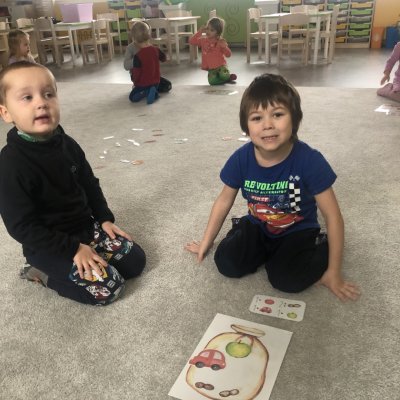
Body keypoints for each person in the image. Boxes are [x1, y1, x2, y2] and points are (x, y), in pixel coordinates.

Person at [185, 73, 360, 302]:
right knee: (226, 263)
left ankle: (322, 244)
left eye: (277, 114)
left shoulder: (310, 161)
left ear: (294, 118)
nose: (267, 125)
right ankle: (244, 231)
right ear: (246, 127)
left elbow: (333, 216)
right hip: (258, 224)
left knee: (287, 281)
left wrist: (333, 271)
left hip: (297, 229)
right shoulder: (240, 159)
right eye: (257, 118)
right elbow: (224, 200)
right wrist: (206, 241)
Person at [0, 62, 146, 306]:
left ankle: (91, 253)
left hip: (85, 229)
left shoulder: (67, 143)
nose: (41, 103)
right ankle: (40, 272)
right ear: (6, 113)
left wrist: (104, 218)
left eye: (49, 94)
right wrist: (74, 249)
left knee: (135, 262)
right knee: (108, 289)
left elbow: (89, 183)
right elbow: (22, 227)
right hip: (49, 247)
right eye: (27, 97)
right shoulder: (10, 164)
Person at [123, 21, 172, 95]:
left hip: (152, 76)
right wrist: (136, 61)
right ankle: (145, 89)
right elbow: (126, 65)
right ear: (133, 38)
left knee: (167, 85)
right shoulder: (130, 48)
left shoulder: (149, 46)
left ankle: (148, 89)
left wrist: (162, 56)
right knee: (135, 94)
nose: (145, 44)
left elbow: (162, 57)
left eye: (145, 41)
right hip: (139, 77)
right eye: (141, 41)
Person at [189, 17, 237, 85]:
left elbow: (228, 55)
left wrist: (225, 47)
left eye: (212, 30)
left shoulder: (220, 41)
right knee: (212, 82)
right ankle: (226, 79)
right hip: (211, 69)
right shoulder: (203, 39)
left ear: (217, 32)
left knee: (223, 75)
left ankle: (227, 77)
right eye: (207, 28)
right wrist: (199, 32)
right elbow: (191, 41)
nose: (208, 31)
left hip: (221, 66)